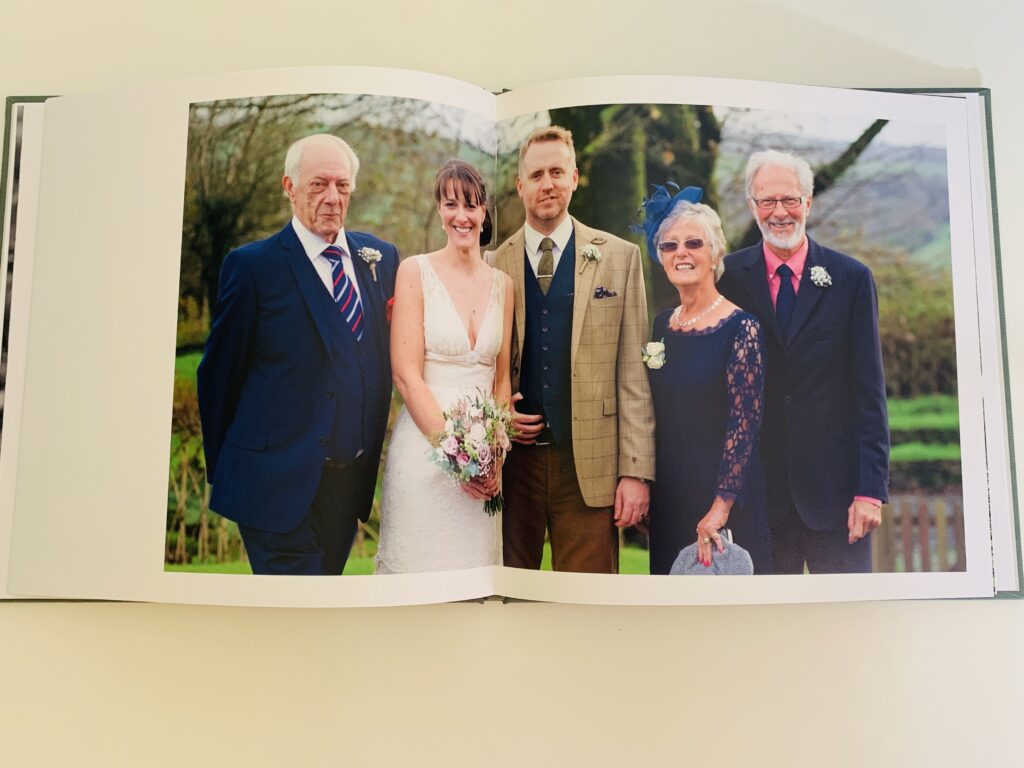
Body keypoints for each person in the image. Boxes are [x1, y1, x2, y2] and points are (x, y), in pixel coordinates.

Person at [197, 133, 398, 575]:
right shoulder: (252, 267)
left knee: (322, 618)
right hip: (271, 489)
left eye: (342, 186)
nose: (332, 198)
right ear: (289, 187)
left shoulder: (380, 259)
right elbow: (217, 378)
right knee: (295, 618)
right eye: (318, 185)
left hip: (345, 491)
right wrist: (237, 469)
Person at [487, 126, 654, 573]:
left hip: (591, 467)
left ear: (575, 177)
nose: (548, 184)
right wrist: (497, 420)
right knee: (510, 599)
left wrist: (635, 471)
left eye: (557, 172)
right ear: (520, 185)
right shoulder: (491, 263)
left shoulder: (620, 257)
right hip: (512, 468)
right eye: (537, 174)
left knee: (588, 605)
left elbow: (634, 375)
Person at [718, 149, 890, 574]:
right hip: (759, 501)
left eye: (790, 200)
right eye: (768, 201)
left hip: (837, 499)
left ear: (808, 203)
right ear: (752, 206)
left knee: (847, 626)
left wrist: (870, 491)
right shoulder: (727, 279)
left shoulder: (851, 280)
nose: (780, 212)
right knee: (771, 631)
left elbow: (869, 393)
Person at [375, 160, 514, 574]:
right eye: (451, 204)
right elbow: (405, 373)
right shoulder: (415, 271)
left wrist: (494, 459)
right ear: (439, 209)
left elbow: (502, 378)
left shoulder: (503, 285)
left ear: (484, 211)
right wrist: (458, 457)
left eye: (471, 206)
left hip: (484, 468)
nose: (461, 216)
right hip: (424, 454)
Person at [639, 187, 772, 574]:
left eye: (694, 243)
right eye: (669, 245)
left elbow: (744, 426)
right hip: (670, 498)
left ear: (715, 253)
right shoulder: (663, 324)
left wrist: (720, 507)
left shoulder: (742, 329)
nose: (681, 252)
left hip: (722, 505)